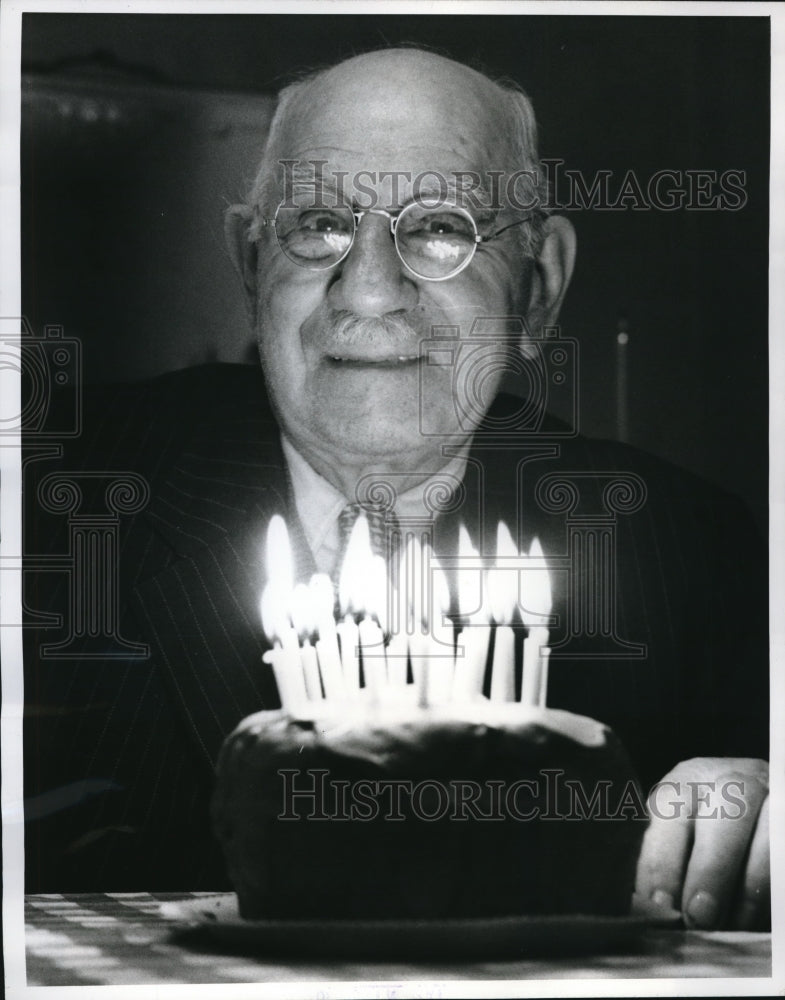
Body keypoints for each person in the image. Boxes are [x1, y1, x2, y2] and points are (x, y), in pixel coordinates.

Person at [23, 48, 769, 931]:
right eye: (318, 224)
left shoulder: (708, 555)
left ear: (538, 288)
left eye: (441, 227)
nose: (369, 291)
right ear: (250, 262)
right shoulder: (50, 504)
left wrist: (760, 793)